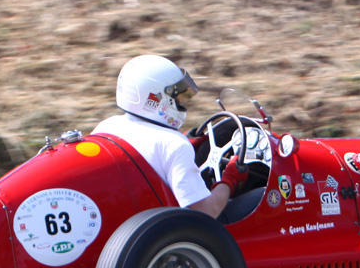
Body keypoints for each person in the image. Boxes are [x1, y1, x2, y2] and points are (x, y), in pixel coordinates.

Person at [91, 55, 248, 219]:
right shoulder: (174, 145)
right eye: (176, 96)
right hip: (171, 234)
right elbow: (206, 212)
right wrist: (230, 180)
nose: (181, 102)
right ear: (156, 98)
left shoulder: (107, 126)